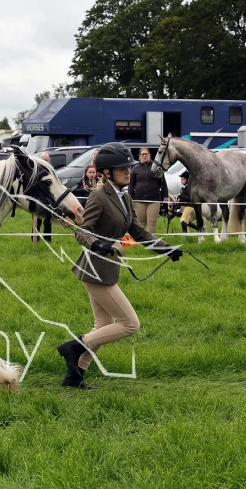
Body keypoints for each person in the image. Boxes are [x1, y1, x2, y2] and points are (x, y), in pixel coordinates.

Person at [58, 142, 183, 390]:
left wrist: (166, 248)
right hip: (95, 269)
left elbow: (137, 231)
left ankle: (75, 376)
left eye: (129, 167)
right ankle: (74, 346)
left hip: (107, 269)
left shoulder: (125, 196)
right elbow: (82, 231)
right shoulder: (98, 196)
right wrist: (98, 244)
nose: (128, 172)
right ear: (107, 172)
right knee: (130, 324)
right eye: (122, 168)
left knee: (103, 327)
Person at [128, 147, 168, 235]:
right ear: (139, 156)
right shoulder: (135, 169)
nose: (144, 156)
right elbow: (131, 185)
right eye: (142, 154)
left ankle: (151, 241)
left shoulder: (156, 168)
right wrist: (130, 197)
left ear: (149, 155)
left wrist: (165, 196)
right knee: (140, 223)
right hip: (139, 200)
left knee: (152, 223)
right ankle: (141, 241)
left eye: (146, 154)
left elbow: (163, 183)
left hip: (154, 200)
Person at [33, 153, 53, 244]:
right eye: (43, 160)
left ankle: (47, 240)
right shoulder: (36, 171)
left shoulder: (52, 171)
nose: (45, 162)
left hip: (49, 199)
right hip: (38, 199)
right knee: (36, 221)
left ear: (49, 161)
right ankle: (35, 240)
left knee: (48, 221)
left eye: (46, 160)